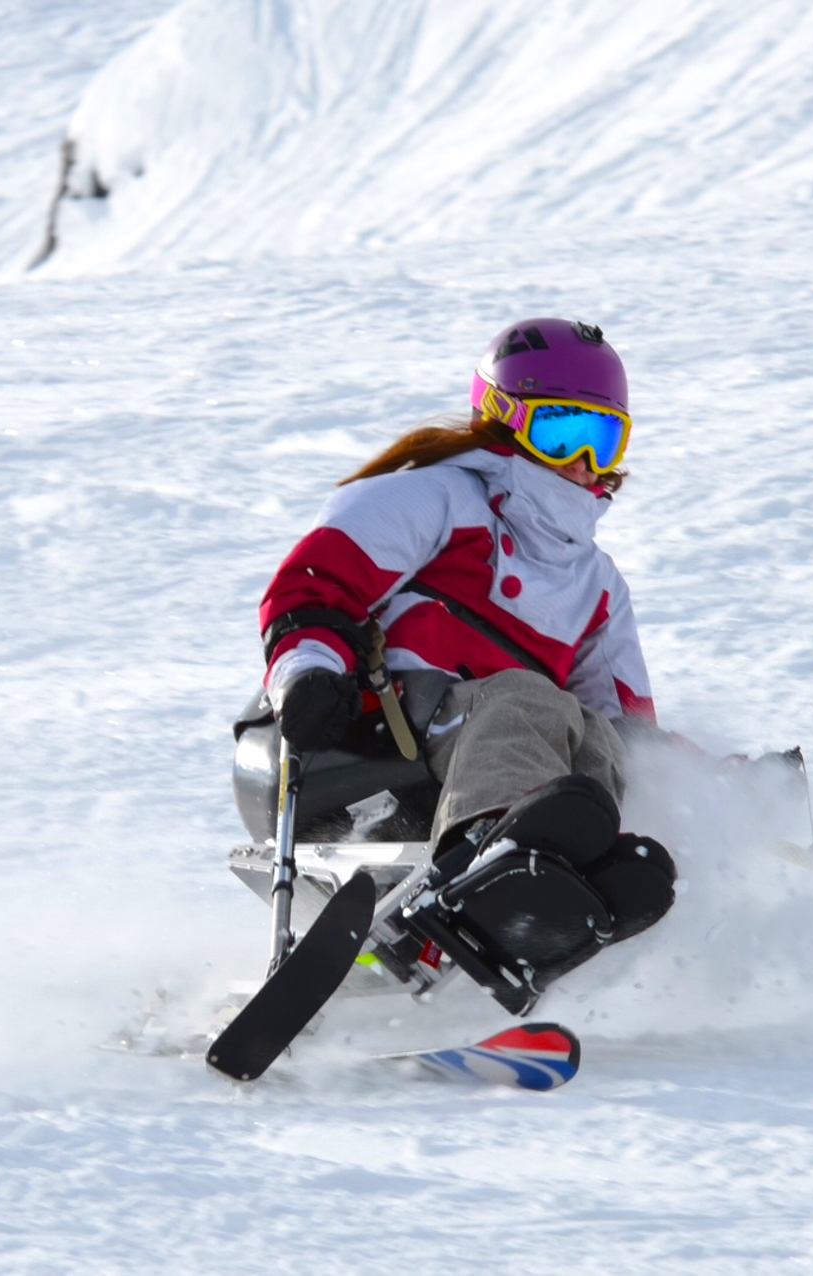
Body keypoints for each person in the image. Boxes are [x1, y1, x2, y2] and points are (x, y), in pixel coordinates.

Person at [255, 318, 677, 983]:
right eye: (561, 432)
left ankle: (565, 888)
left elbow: (631, 728)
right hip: (383, 725)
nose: (583, 461)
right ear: (504, 417)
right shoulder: (438, 496)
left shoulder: (597, 584)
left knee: (598, 737)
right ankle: (490, 865)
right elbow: (315, 586)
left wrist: (728, 782)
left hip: (507, 743)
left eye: (603, 439)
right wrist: (307, 675)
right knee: (528, 696)